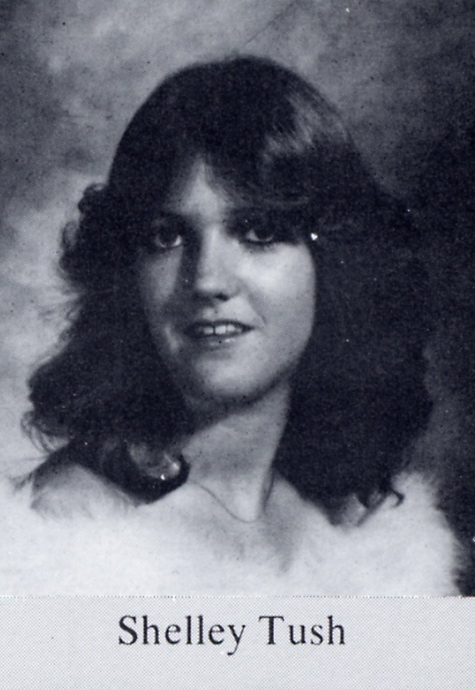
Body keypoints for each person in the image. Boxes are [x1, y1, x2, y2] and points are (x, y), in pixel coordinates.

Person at [11, 56, 463, 594]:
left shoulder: (368, 533)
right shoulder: (71, 529)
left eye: (257, 232)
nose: (206, 280)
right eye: (166, 237)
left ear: (333, 264)